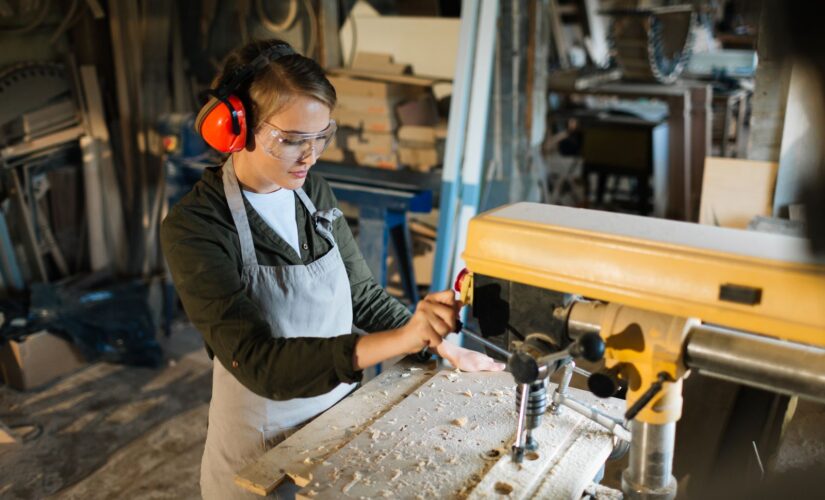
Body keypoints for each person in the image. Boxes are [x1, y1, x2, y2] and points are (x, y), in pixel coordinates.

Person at [160, 39, 504, 499]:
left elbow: (362, 294)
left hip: (335, 425)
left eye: (322, 137)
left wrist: (436, 343)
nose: (310, 156)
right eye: (291, 141)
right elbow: (259, 363)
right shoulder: (196, 225)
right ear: (236, 128)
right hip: (257, 453)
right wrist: (401, 340)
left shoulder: (313, 192)